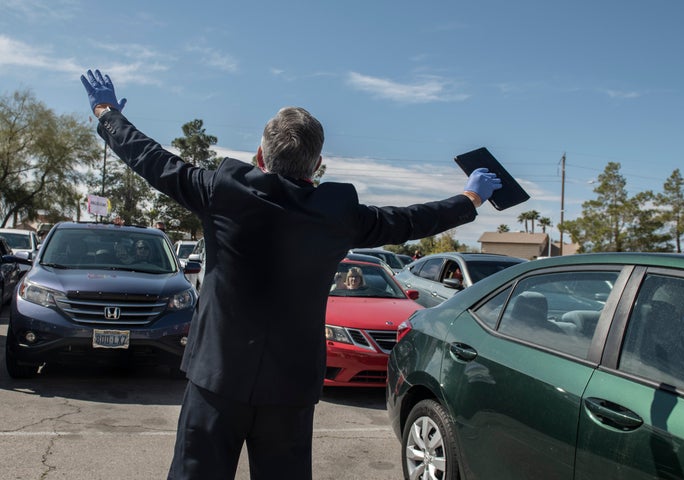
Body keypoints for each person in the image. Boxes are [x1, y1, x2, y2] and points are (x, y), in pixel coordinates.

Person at [81, 68, 502, 480]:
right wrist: (470, 197)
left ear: (261, 156)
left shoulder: (222, 190)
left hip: (216, 378)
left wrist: (106, 113)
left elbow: (151, 159)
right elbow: (412, 220)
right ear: (317, 165)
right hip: (290, 387)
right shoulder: (338, 214)